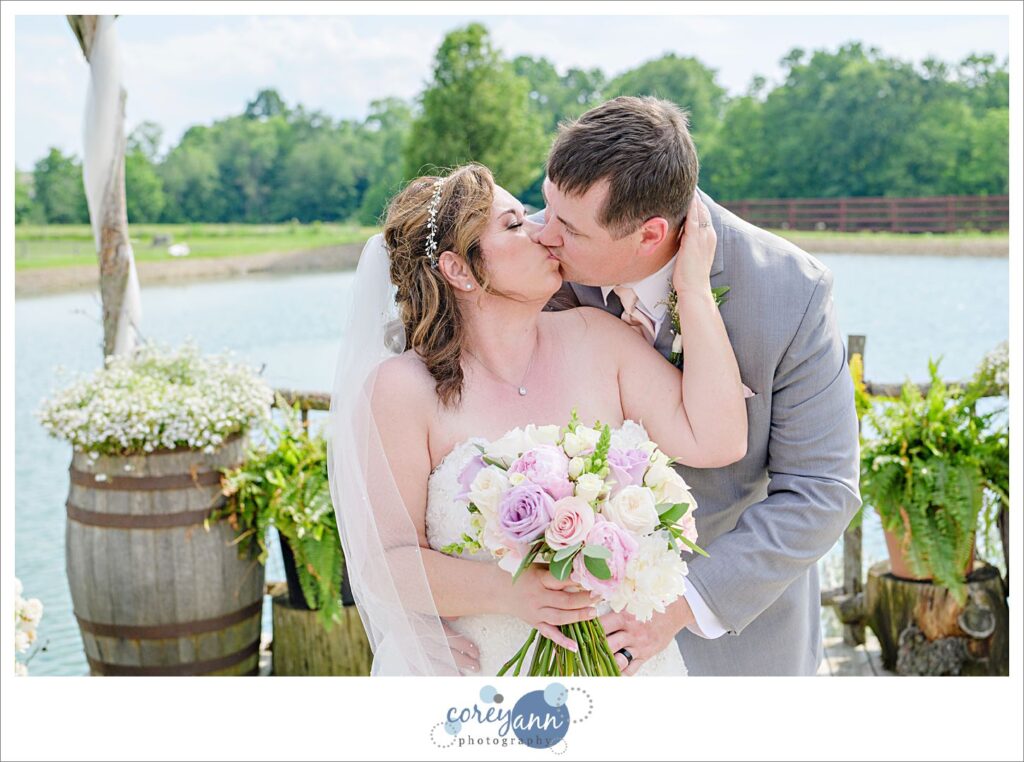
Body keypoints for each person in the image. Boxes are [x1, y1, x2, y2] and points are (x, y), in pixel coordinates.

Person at [328, 162, 747, 675]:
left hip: (623, 670)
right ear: (459, 269)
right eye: (513, 224)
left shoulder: (599, 338)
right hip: (482, 675)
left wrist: (694, 290)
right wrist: (509, 592)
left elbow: (719, 440)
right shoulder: (400, 391)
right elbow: (383, 560)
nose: (543, 232)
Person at [532, 96, 862, 675]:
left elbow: (821, 489)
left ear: (650, 234)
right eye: (545, 207)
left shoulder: (790, 292)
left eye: (569, 228)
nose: (543, 235)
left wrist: (678, 607)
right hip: (571, 636)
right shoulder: (537, 259)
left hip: (739, 645)